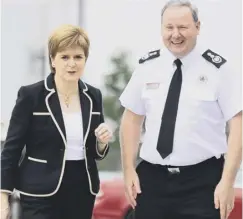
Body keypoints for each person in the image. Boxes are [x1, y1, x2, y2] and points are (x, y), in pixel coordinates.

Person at [119, 1, 242, 219]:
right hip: (152, 179)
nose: (175, 34)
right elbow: (131, 119)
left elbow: (238, 125)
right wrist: (128, 169)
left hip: (202, 182)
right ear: (162, 29)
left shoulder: (219, 70)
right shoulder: (148, 66)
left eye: (183, 27)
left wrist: (228, 181)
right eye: (169, 28)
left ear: (197, 27)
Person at [1, 24, 112, 219]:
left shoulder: (93, 96)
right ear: (53, 60)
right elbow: (11, 149)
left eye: (78, 57)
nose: (72, 63)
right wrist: (3, 196)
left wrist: (102, 142)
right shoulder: (31, 95)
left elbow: (93, 151)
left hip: (82, 189)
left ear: (85, 59)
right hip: (39, 191)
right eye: (65, 57)